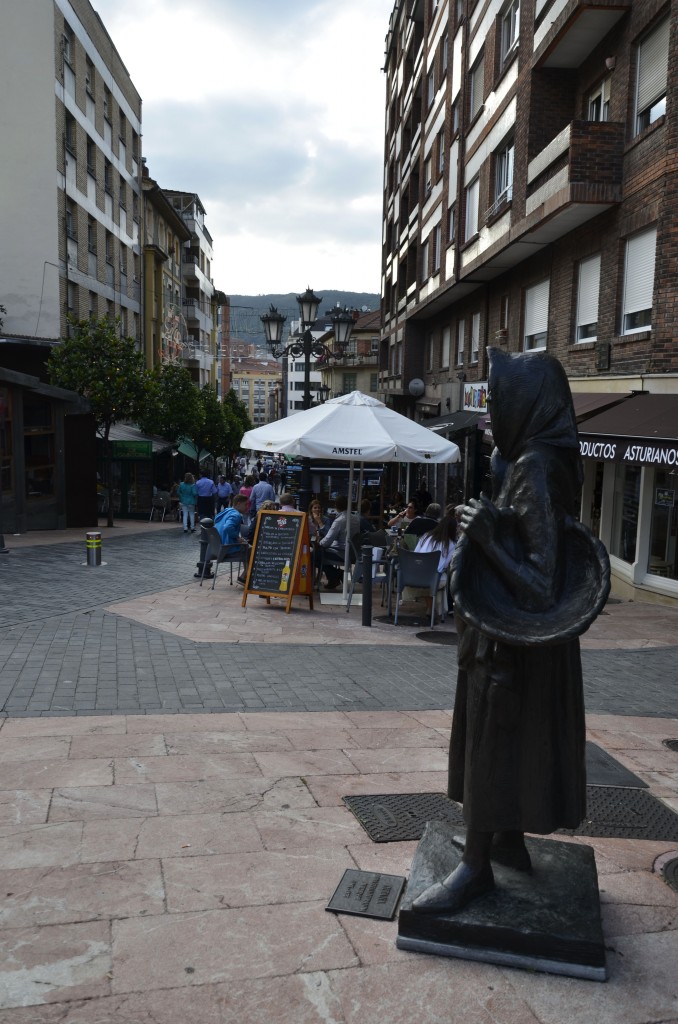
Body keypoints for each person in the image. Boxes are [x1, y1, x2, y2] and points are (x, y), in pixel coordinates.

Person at [413, 347, 597, 915]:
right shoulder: (542, 461)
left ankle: (476, 872)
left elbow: (540, 584)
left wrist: (488, 538)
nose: (491, 416)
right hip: (517, 642)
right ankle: (507, 839)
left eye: (498, 401)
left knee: (493, 742)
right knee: (507, 742)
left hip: (512, 644)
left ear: (528, 402)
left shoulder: (534, 467)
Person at [317, 494, 360, 591]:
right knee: (319, 553)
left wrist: (319, 543)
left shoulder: (340, 520)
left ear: (336, 506)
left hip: (341, 553)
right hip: (353, 553)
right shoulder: (355, 519)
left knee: (314, 555)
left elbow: (326, 542)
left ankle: (336, 575)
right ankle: (333, 578)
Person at [213, 494, 251, 584]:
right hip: (227, 549)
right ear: (238, 503)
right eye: (245, 504)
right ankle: (245, 577)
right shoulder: (236, 515)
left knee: (247, 547)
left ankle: (245, 576)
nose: (247, 507)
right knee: (251, 550)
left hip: (218, 547)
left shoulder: (226, 511)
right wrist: (237, 537)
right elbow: (227, 527)